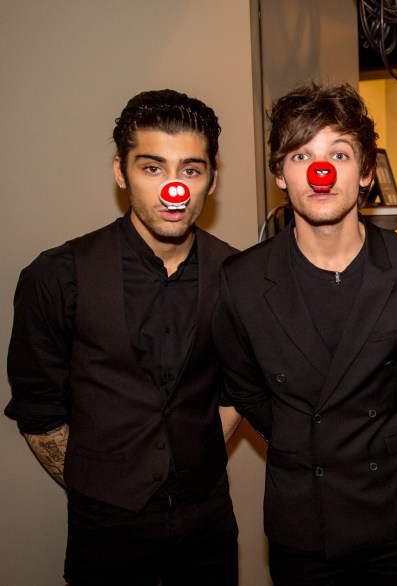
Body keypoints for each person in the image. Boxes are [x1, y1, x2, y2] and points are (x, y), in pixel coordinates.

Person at [212, 81, 397, 585]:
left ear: (365, 174)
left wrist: (387, 439)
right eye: (301, 156)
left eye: (338, 154)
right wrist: (301, 438)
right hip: (303, 525)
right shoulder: (242, 280)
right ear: (280, 173)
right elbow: (246, 389)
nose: (321, 172)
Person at [5, 89, 240, 585]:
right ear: (121, 171)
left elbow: (239, 387)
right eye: (152, 168)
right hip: (105, 528)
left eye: (191, 171)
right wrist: (105, 484)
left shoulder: (238, 274)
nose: (172, 188)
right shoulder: (58, 275)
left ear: (212, 180)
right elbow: (37, 408)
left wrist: (189, 461)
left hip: (207, 520)